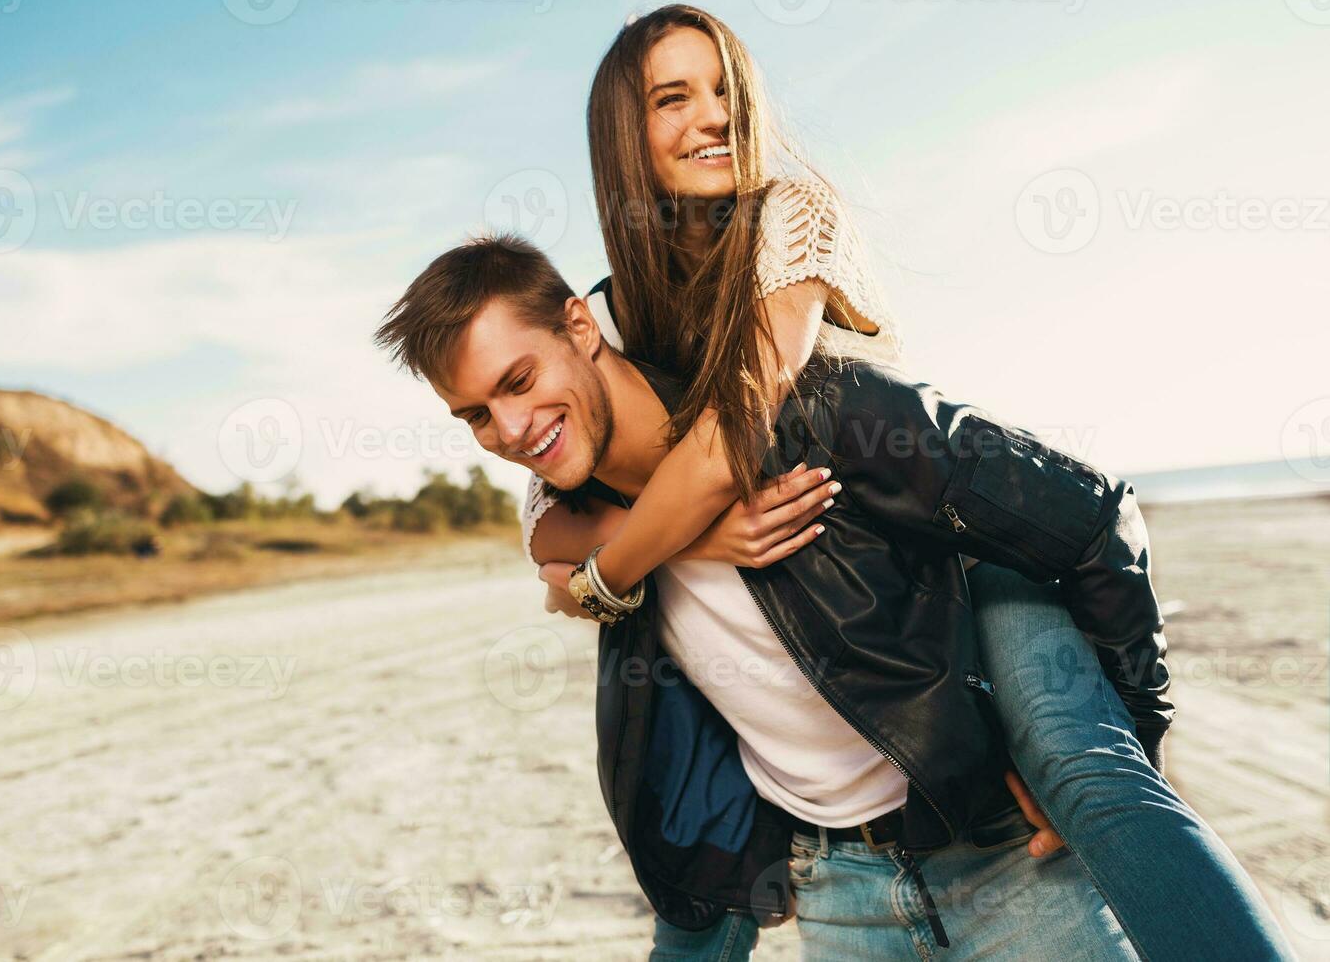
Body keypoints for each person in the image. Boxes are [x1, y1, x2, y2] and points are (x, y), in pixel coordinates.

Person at [519, 4, 1293, 961]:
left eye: (726, 90)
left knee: (1090, 774)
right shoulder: (604, 317)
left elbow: (741, 419)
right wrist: (695, 540)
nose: (711, 116)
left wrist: (632, 552)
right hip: (840, 658)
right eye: (673, 98)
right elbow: (545, 524)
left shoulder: (788, 216)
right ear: (621, 138)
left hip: (955, 551)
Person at [380, 235, 1172, 958]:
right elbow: (556, 560)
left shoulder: (807, 411)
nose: (511, 430)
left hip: (1004, 859)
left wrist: (1123, 759)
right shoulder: (573, 513)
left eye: (518, 381)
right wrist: (682, 540)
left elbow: (1089, 512)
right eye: (475, 416)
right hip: (836, 894)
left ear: (581, 328)